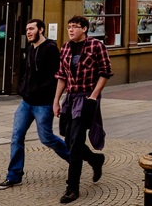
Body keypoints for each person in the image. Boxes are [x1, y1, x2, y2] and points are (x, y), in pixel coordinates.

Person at [0, 19, 70, 190]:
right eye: (27, 29)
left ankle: (73, 158)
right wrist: (24, 88)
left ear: (41, 30)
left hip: (43, 104)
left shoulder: (50, 49)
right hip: (26, 103)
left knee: (47, 138)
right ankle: (13, 176)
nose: (28, 32)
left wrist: (52, 99)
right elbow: (27, 73)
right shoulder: (30, 49)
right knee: (16, 137)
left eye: (31, 29)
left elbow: (55, 76)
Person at [53, 16, 112, 203]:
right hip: (70, 98)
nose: (70, 30)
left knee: (76, 143)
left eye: (75, 27)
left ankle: (72, 188)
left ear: (85, 29)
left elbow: (105, 72)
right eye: (69, 27)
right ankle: (95, 160)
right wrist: (56, 101)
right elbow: (62, 75)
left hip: (86, 97)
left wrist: (93, 96)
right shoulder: (65, 47)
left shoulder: (96, 46)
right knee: (69, 141)